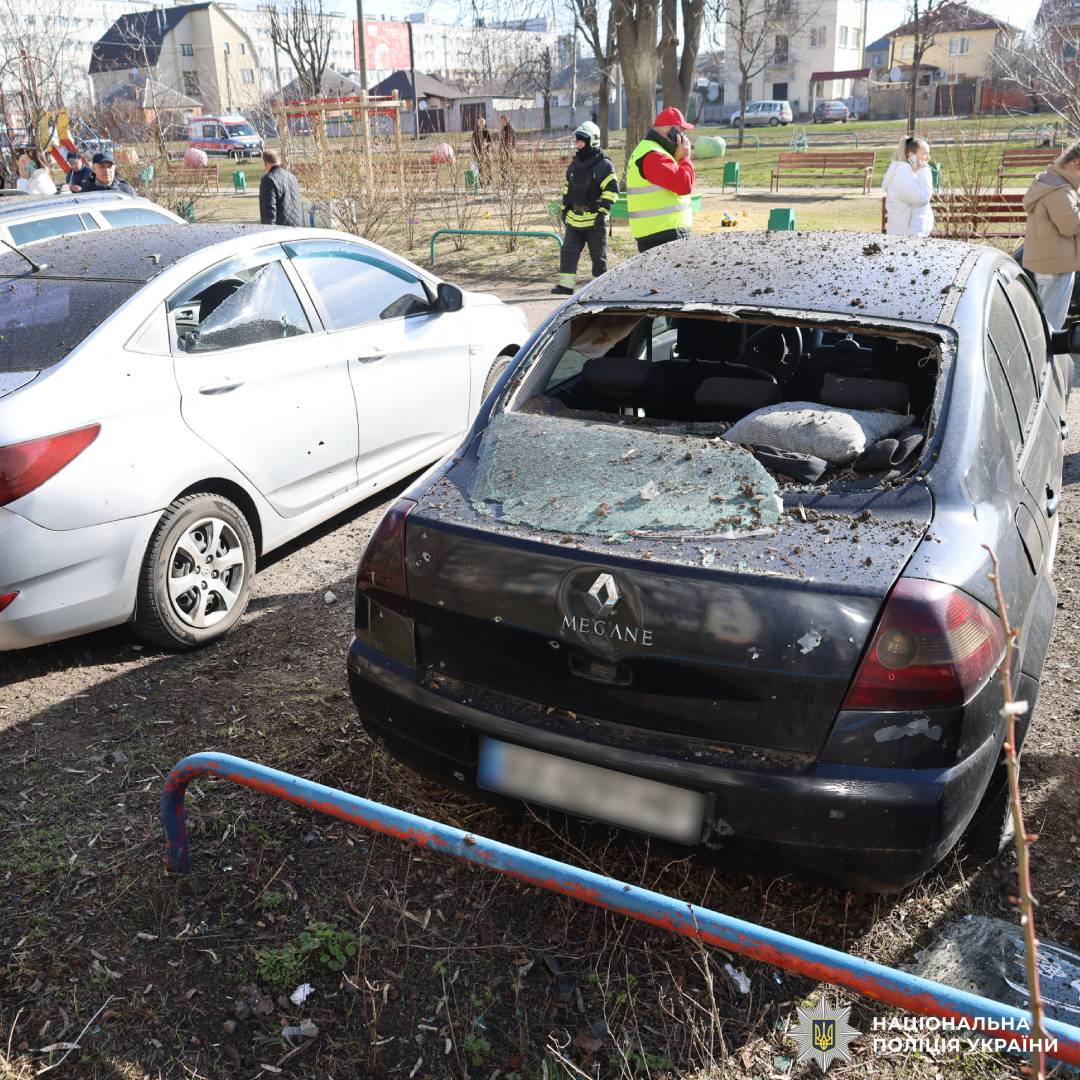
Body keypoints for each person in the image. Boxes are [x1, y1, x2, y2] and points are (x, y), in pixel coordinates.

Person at [553, 121, 618, 295]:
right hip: (574, 219)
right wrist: (565, 209)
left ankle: (600, 289)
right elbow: (567, 188)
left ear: (593, 141)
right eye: (578, 140)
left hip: (595, 220)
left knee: (598, 257)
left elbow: (611, 191)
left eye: (582, 140)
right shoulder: (574, 165)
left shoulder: (604, 165)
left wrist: (602, 212)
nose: (579, 143)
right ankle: (566, 286)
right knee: (568, 252)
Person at [1022, 142, 1080, 333]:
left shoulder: (1053, 184)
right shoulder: (1059, 190)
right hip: (1057, 264)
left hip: (1051, 260)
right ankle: (1045, 355)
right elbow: (1071, 225)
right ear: (1075, 164)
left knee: (1046, 313)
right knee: (1051, 319)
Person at [624, 107, 695, 253]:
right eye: (681, 132)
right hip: (663, 236)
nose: (683, 137)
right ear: (671, 131)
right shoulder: (654, 156)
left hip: (660, 234)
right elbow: (684, 184)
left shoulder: (653, 151)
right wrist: (684, 158)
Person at [881, 136, 934, 238]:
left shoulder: (909, 173)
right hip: (905, 240)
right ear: (912, 156)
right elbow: (922, 199)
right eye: (925, 153)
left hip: (910, 238)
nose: (929, 158)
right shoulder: (901, 176)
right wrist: (924, 170)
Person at [259, 149, 303, 227]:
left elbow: (269, 211)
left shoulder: (269, 179)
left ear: (266, 163)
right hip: (297, 226)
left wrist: (267, 231)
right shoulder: (292, 177)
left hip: (280, 229)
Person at [471, 116, 493, 185]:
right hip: (478, 153)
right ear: (478, 124)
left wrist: (487, 144)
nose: (481, 124)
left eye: (483, 122)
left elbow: (491, 142)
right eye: (480, 122)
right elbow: (473, 143)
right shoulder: (475, 133)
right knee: (480, 168)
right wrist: (474, 153)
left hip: (486, 152)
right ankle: (481, 182)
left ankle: (489, 182)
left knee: (488, 166)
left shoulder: (486, 132)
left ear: (484, 124)